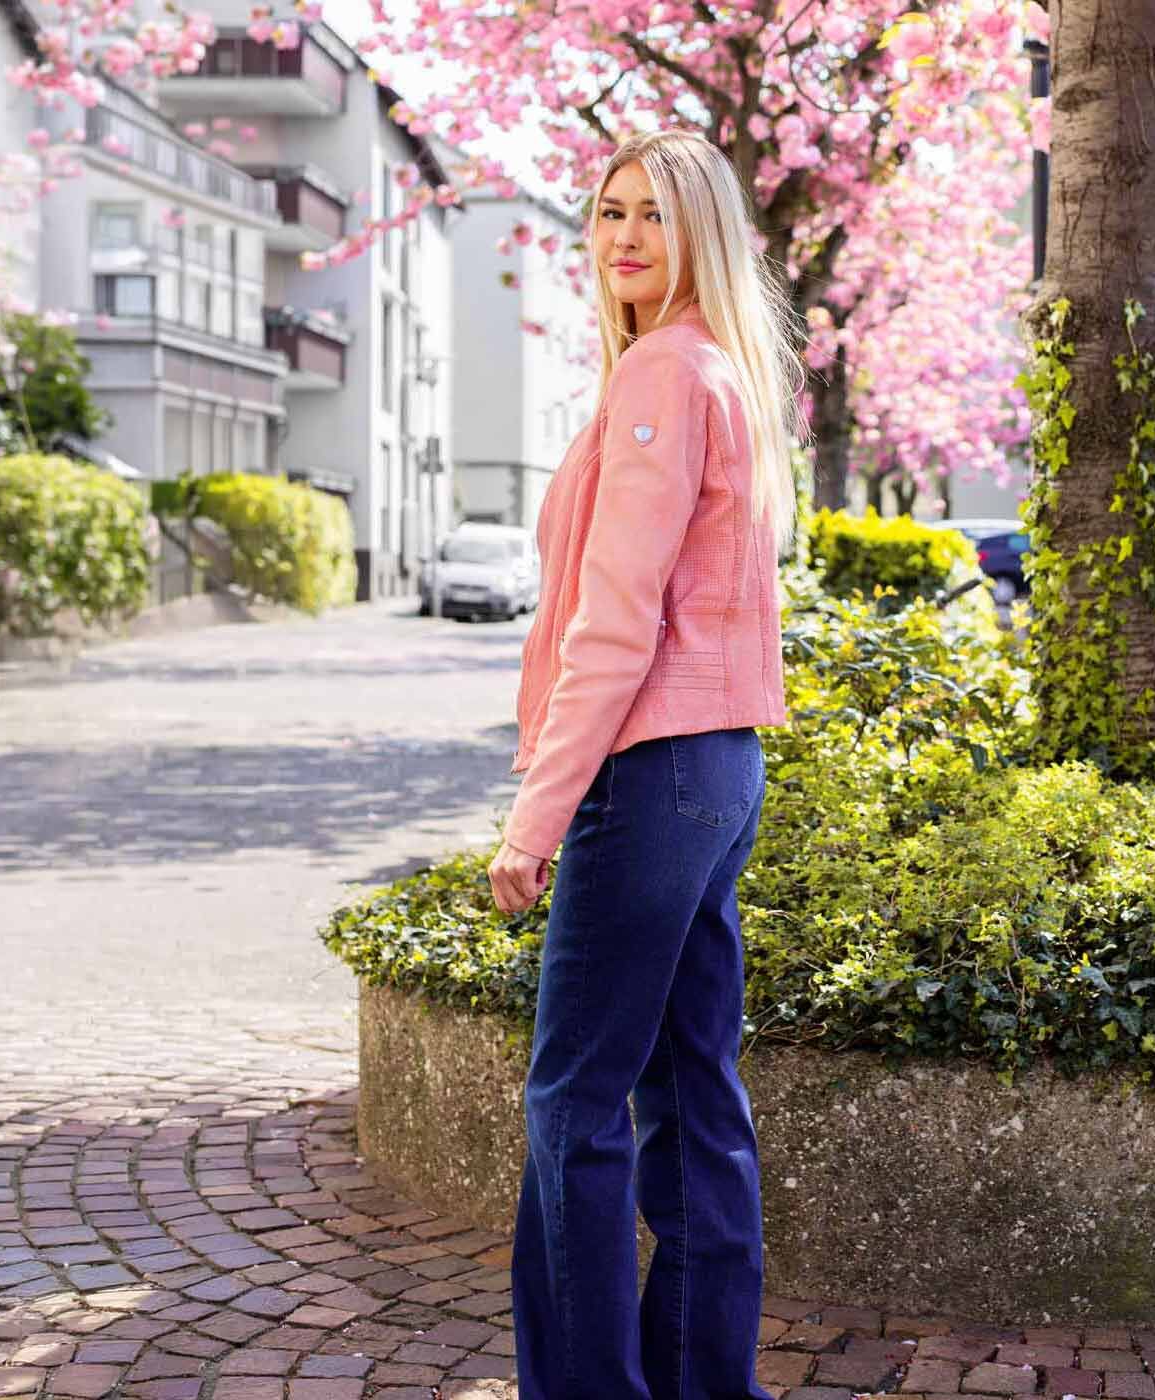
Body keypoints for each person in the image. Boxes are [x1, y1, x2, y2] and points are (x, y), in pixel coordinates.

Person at [484, 128, 808, 1400]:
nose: (624, 235)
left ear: (701, 234)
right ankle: (702, 1384)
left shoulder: (665, 378)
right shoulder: (717, 371)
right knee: (689, 1094)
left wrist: (535, 812)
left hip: (650, 770)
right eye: (610, 210)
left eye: (654, 216)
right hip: (717, 770)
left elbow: (614, 622)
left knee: (573, 1104)